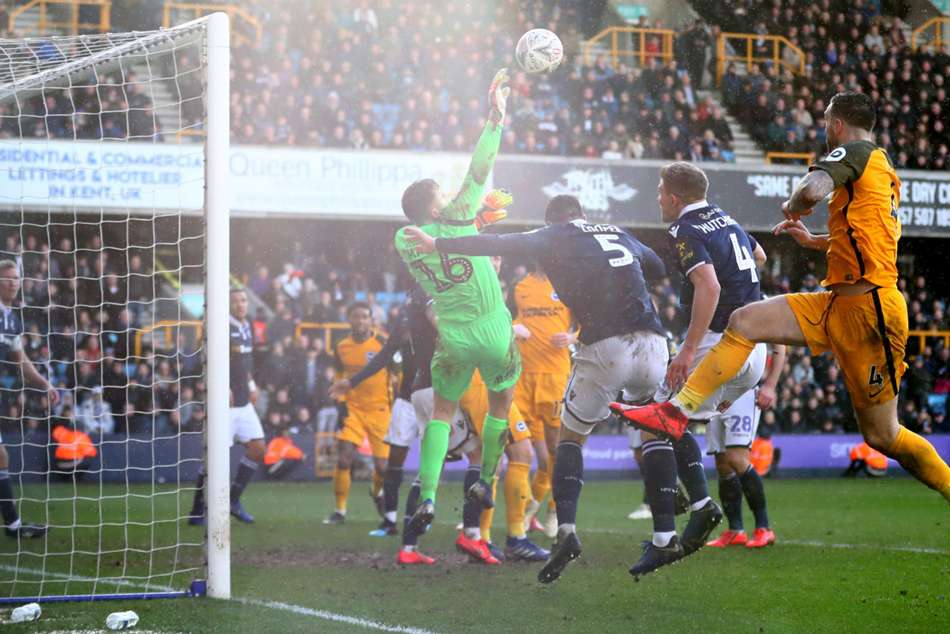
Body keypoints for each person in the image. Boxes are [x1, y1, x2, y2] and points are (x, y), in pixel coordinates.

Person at [618, 92, 950, 504]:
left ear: (837, 125)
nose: (825, 128)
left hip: (871, 313)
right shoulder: (882, 171)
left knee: (883, 435)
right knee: (744, 321)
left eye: (827, 120)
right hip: (838, 304)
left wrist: (794, 206)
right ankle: (676, 411)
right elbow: (867, 241)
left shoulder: (857, 152)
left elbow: (813, 189)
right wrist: (814, 241)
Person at [402, 194, 676, 584]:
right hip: (653, 342)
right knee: (653, 429)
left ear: (553, 222)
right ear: (581, 215)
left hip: (606, 346)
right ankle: (666, 533)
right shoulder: (615, 231)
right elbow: (659, 267)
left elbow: (498, 243)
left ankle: (562, 530)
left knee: (567, 441)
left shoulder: (554, 236)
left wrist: (438, 244)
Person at [393, 68, 520, 535]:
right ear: (433, 206)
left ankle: (426, 497)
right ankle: (484, 481)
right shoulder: (458, 215)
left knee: (442, 417)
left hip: (452, 336)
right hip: (492, 329)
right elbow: (479, 168)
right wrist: (495, 117)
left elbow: (452, 251)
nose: (450, 196)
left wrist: (477, 224)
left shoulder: (405, 240)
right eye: (441, 194)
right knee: (500, 404)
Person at [510, 262, 576, 539]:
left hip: (554, 376)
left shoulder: (567, 284)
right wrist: (514, 326)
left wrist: (572, 336)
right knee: (519, 450)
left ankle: (552, 510)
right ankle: (523, 513)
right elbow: (511, 318)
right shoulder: (520, 287)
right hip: (523, 377)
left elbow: (587, 323)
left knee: (553, 453)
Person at [189, 287, 265, 525]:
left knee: (258, 448)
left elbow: (244, 363)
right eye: (235, 301)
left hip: (244, 403)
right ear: (228, 305)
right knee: (213, 458)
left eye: (243, 300)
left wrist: (252, 384)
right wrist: (222, 386)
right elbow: (207, 360)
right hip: (225, 404)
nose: (240, 305)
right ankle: (197, 510)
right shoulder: (221, 327)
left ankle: (232, 500)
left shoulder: (247, 326)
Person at [0, 259, 59, 538]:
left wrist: (45, 383)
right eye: (7, 277)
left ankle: (13, 525)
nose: (13, 282)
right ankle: (13, 526)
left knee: (1, 457)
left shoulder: (11, 320)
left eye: (16, 277)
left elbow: (21, 361)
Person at [323, 302, 391, 525]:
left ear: (371, 320)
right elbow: (337, 375)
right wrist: (340, 404)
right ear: (349, 319)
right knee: (344, 458)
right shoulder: (341, 345)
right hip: (353, 408)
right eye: (356, 316)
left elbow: (398, 374)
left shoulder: (383, 342)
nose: (360, 321)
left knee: (382, 467)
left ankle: (377, 491)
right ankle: (339, 511)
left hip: (380, 410)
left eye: (365, 317)